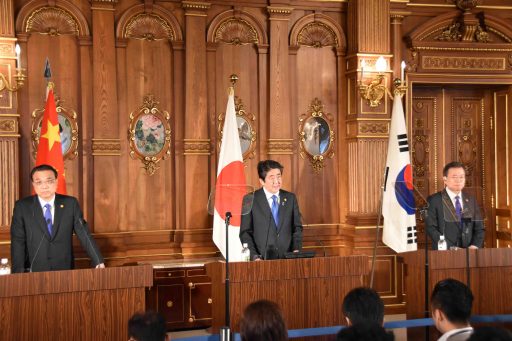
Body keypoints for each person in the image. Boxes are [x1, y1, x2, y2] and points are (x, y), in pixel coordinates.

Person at [10, 164, 104, 273]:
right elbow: (18, 241)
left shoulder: (70, 203)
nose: (44, 186)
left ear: (56, 182)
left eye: (49, 181)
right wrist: (17, 272)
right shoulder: (22, 206)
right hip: (34, 269)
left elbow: (84, 234)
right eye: (39, 182)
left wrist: (98, 260)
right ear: (33, 184)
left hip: (64, 268)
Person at [240, 160, 303, 260]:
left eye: (279, 176)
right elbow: (245, 233)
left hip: (288, 260)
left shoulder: (290, 198)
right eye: (272, 178)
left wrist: (296, 250)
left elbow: (297, 228)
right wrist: (254, 257)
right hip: (261, 261)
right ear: (261, 181)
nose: (277, 181)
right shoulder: (250, 199)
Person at [426, 161, 485, 250]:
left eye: (461, 177)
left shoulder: (471, 200)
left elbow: (479, 228)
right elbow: (431, 229)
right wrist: (452, 248)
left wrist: (474, 246)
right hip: (445, 254)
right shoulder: (434, 200)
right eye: (454, 177)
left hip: (469, 254)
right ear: (445, 179)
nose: (458, 180)